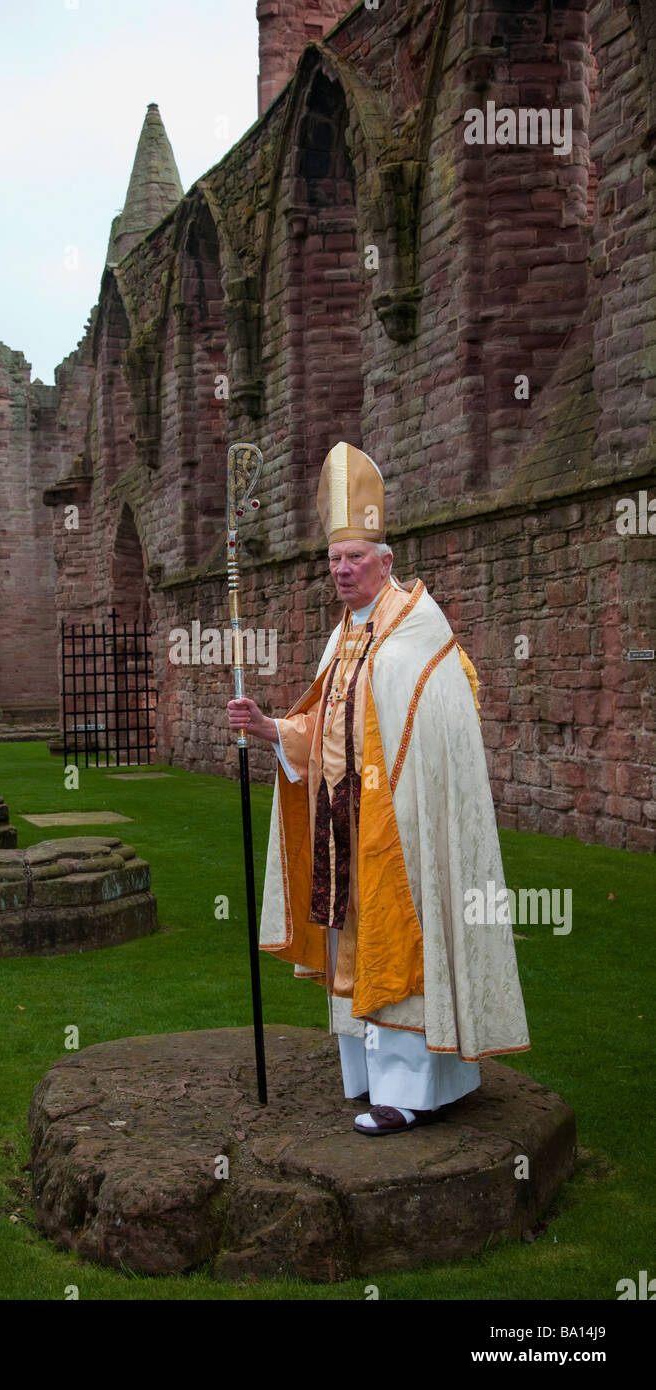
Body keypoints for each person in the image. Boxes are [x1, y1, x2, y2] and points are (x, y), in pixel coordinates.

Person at [227, 441, 530, 1135]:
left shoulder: (419, 634)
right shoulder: (345, 635)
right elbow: (328, 724)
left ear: (386, 562)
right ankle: (371, 1077)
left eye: (354, 558)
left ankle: (410, 1094)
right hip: (345, 819)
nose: (340, 570)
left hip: (398, 823)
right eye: (333, 559)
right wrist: (272, 727)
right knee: (353, 943)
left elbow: (429, 733)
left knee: (399, 940)